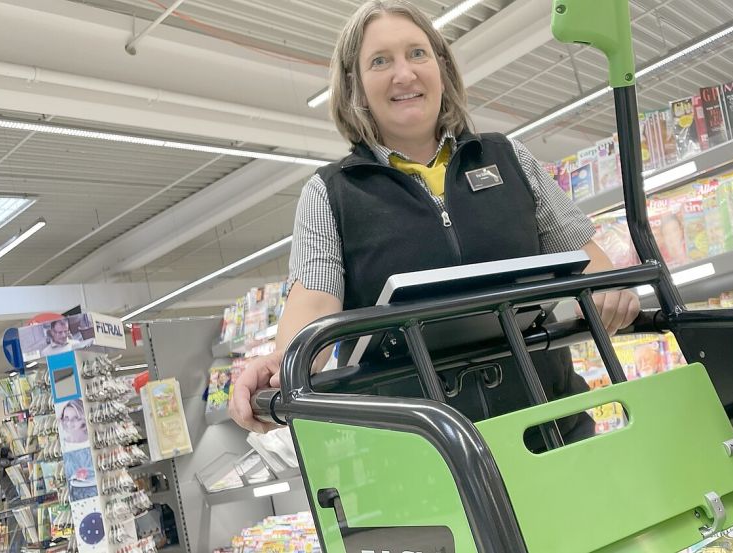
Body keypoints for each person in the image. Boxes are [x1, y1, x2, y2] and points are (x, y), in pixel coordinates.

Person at [230, 0, 641, 439]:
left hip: (551, 426)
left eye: (417, 54)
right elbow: (314, 304)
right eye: (380, 61)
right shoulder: (331, 194)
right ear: (355, 86)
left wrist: (610, 289)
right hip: (423, 453)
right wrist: (282, 363)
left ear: (441, 67)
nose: (403, 74)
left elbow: (584, 257)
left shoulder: (509, 157)